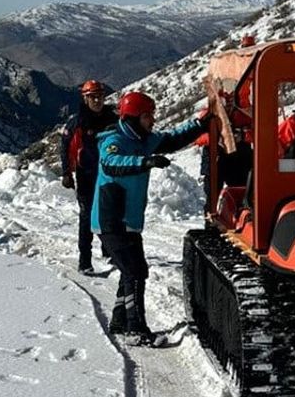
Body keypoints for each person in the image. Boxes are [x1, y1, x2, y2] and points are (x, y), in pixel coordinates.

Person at [93, 91, 208, 343]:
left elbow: (171, 139)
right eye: (147, 116)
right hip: (111, 219)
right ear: (133, 118)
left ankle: (120, 321)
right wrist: (145, 162)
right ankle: (136, 329)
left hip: (129, 221)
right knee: (135, 272)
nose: (152, 120)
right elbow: (111, 162)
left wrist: (200, 125)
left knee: (130, 270)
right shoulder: (115, 139)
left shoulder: (143, 138)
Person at [59, 79, 119, 275]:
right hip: (86, 175)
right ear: (85, 98)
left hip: (108, 174)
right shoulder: (77, 122)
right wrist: (67, 172)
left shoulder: (111, 119)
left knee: (109, 213)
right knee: (86, 218)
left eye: (100, 96)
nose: (97, 100)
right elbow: (65, 146)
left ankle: (108, 251)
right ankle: (85, 260)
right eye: (92, 97)